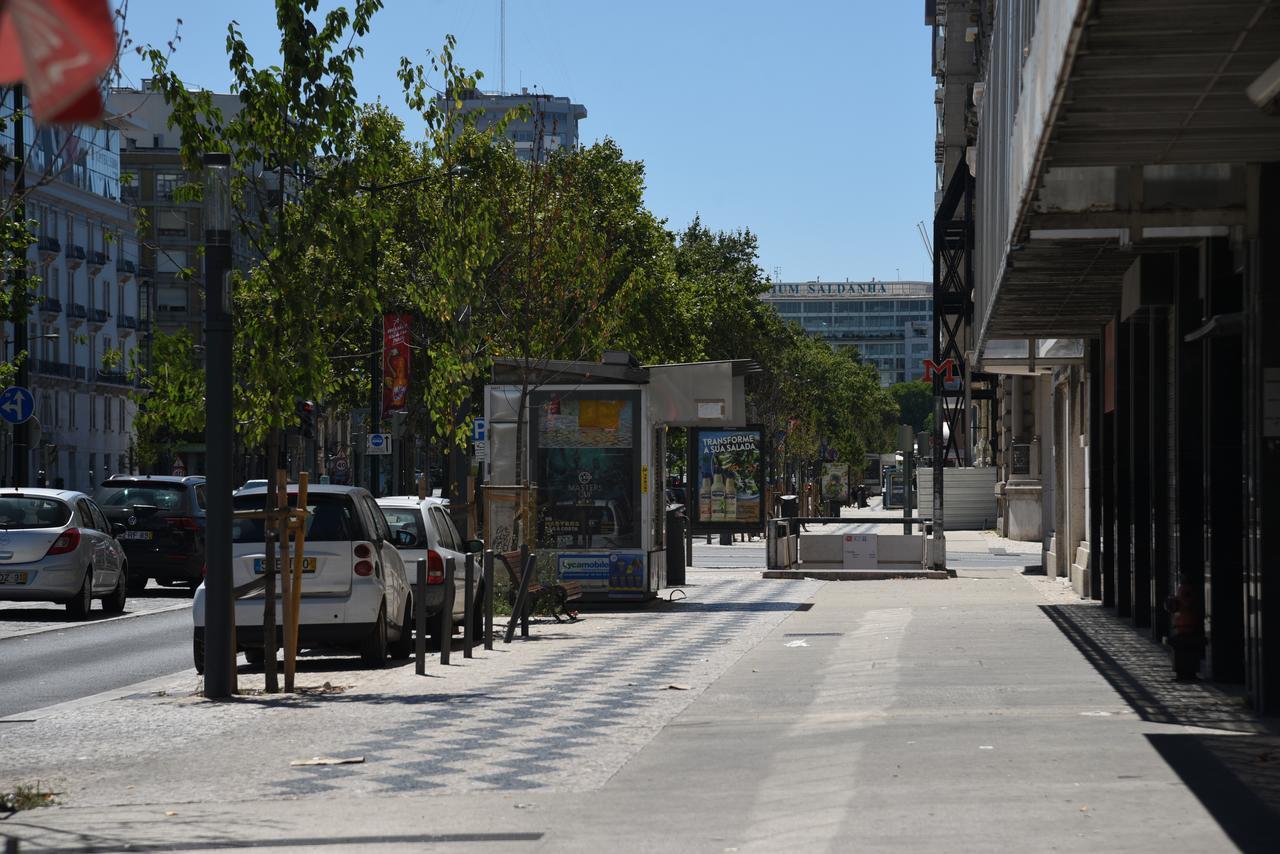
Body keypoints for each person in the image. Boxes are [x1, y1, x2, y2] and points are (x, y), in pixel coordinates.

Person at [1166, 584, 1204, 682]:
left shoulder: (1182, 590)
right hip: (1186, 625)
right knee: (1187, 647)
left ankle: (1184, 673)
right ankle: (1187, 673)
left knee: (1185, 647)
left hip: (1184, 626)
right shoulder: (1185, 591)